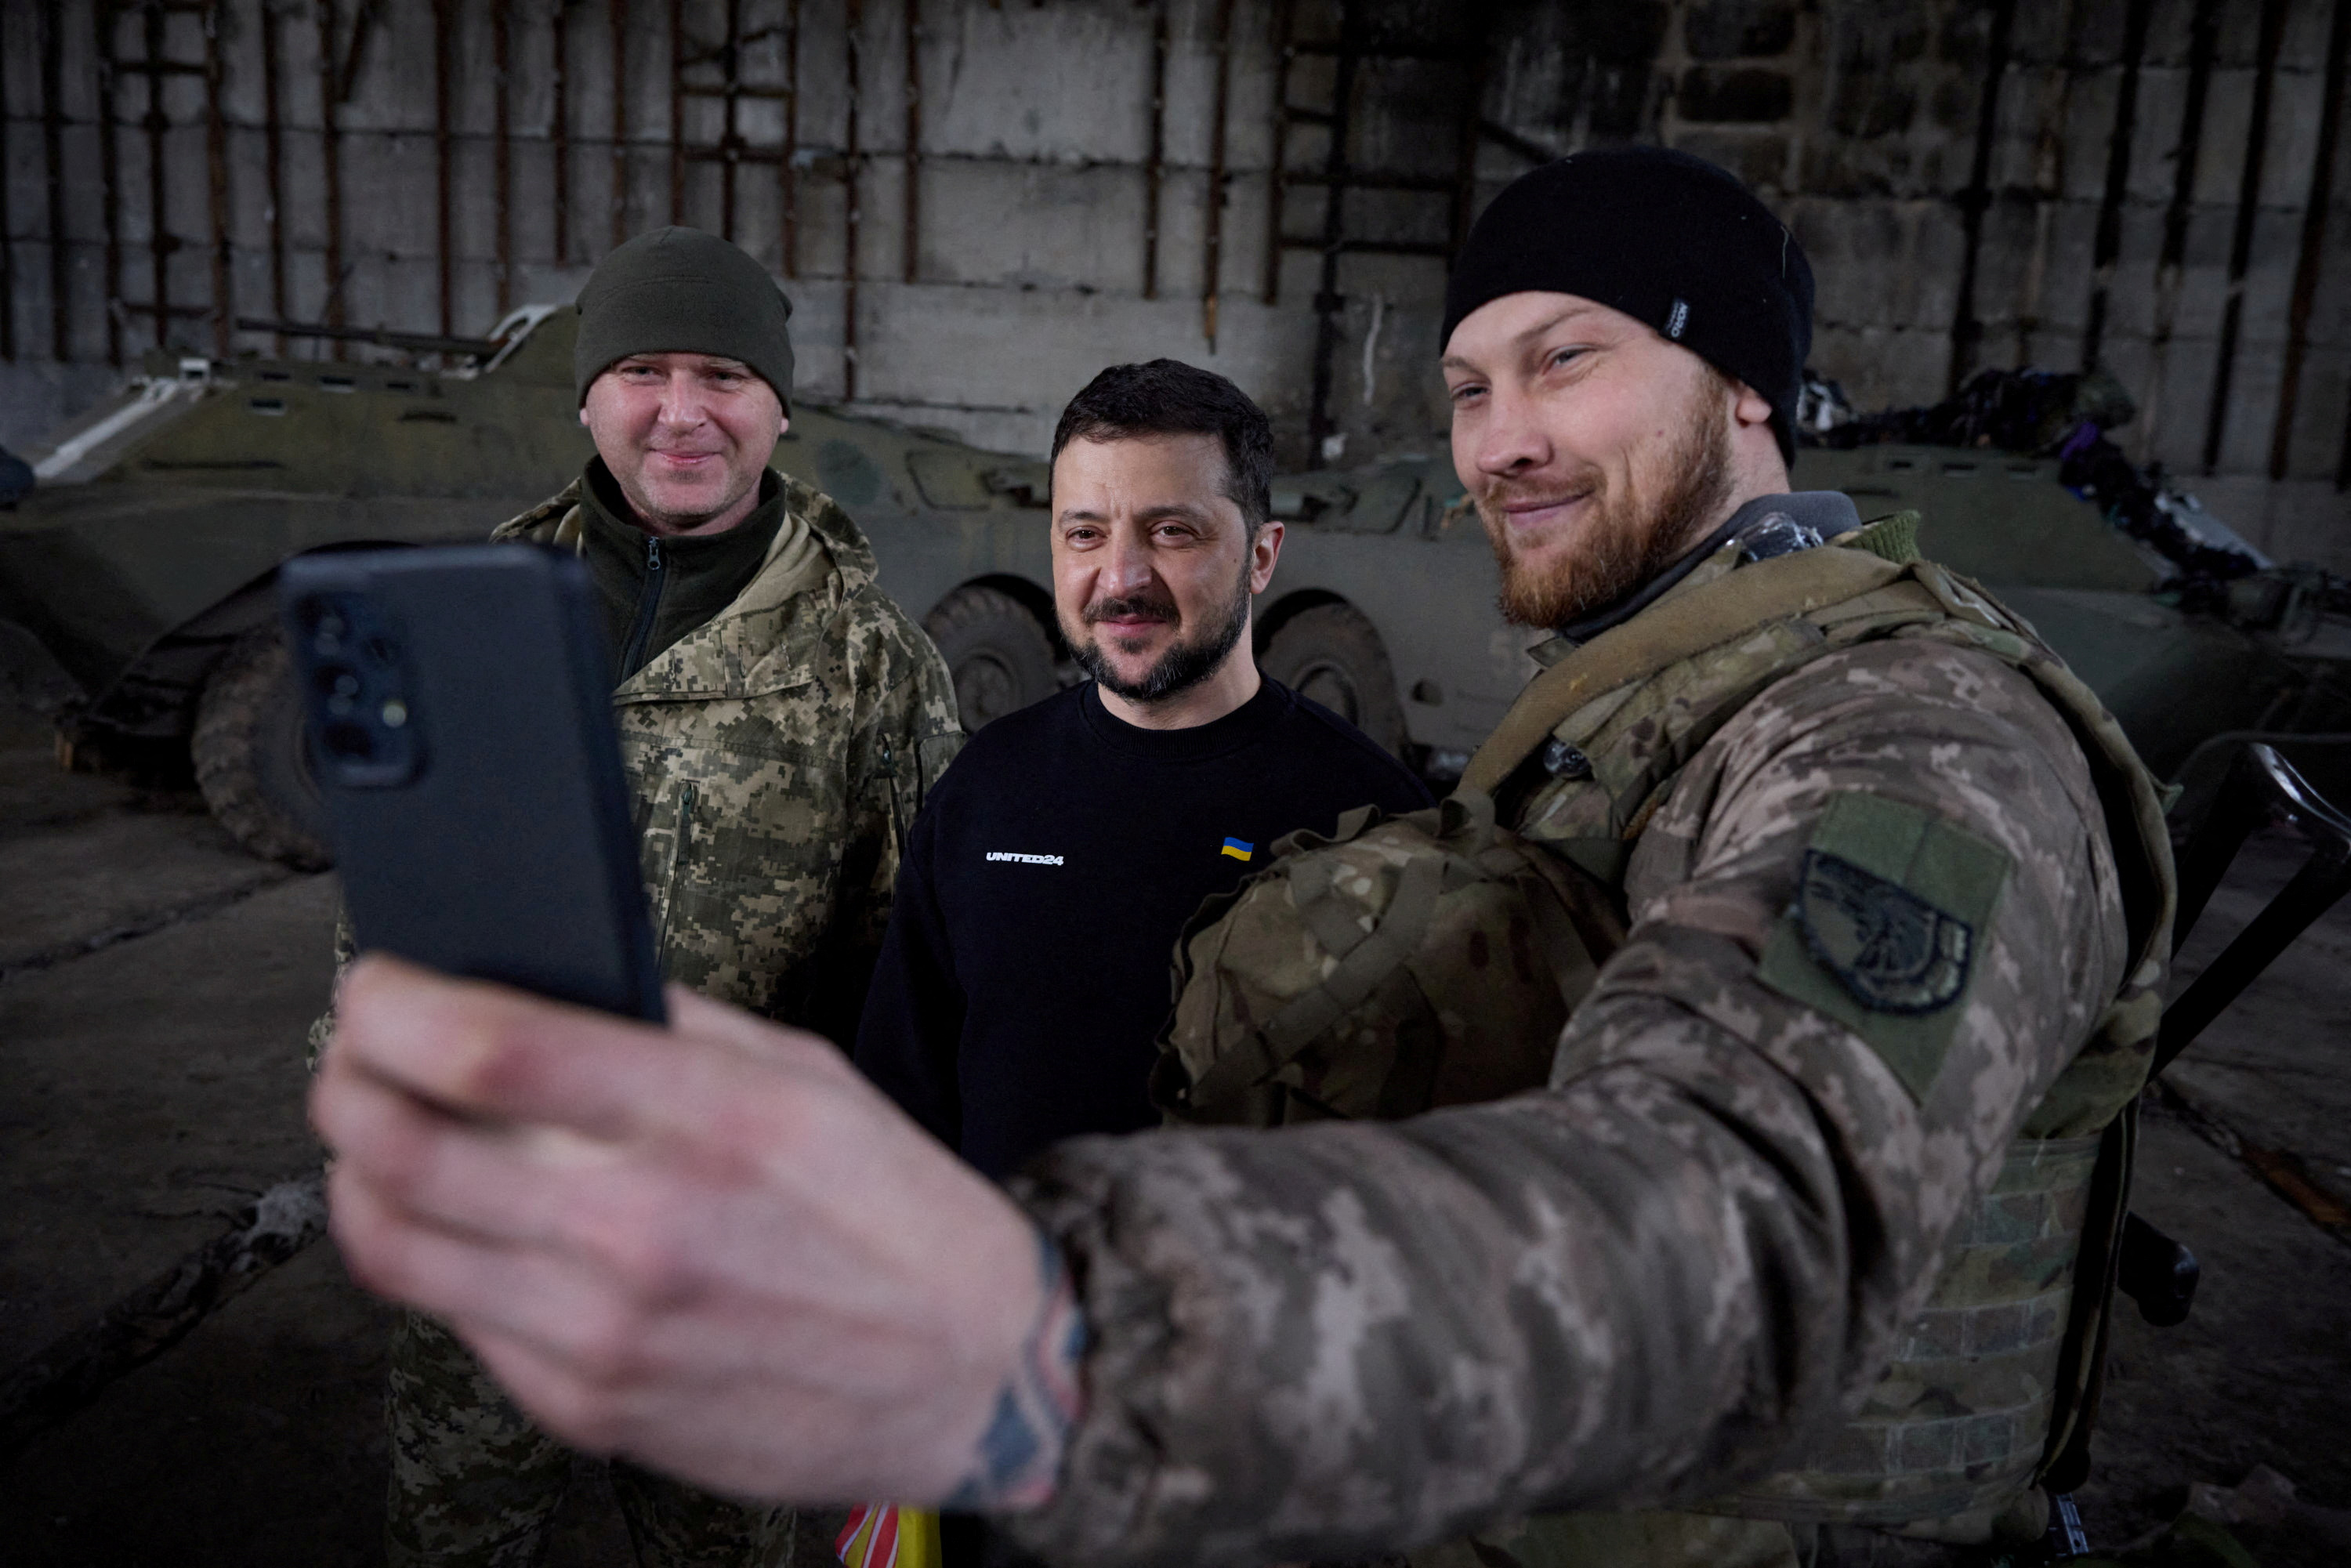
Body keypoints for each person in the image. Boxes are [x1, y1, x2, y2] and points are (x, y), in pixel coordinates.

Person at [310, 148, 2173, 1568]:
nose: (1502, 441)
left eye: (1567, 363)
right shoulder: (1625, 711)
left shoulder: (1902, 732)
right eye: (1465, 387)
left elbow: (1743, 1212)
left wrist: (1046, 1329)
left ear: (1745, 390)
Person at [331, 225, 965, 1568]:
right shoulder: (477, 615)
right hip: (496, 1228)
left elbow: (912, 977)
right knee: (453, 1541)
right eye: (643, 371)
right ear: (586, 397)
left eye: (724, 375)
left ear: (780, 405)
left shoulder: (872, 667)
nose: (683, 413)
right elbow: (386, 916)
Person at [855, 360, 1430, 1182]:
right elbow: (899, 1104)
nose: (1120, 579)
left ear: (1262, 555)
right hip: (1013, 1300)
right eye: (1085, 533)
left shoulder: (1368, 814)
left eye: (1172, 532)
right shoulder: (987, 787)